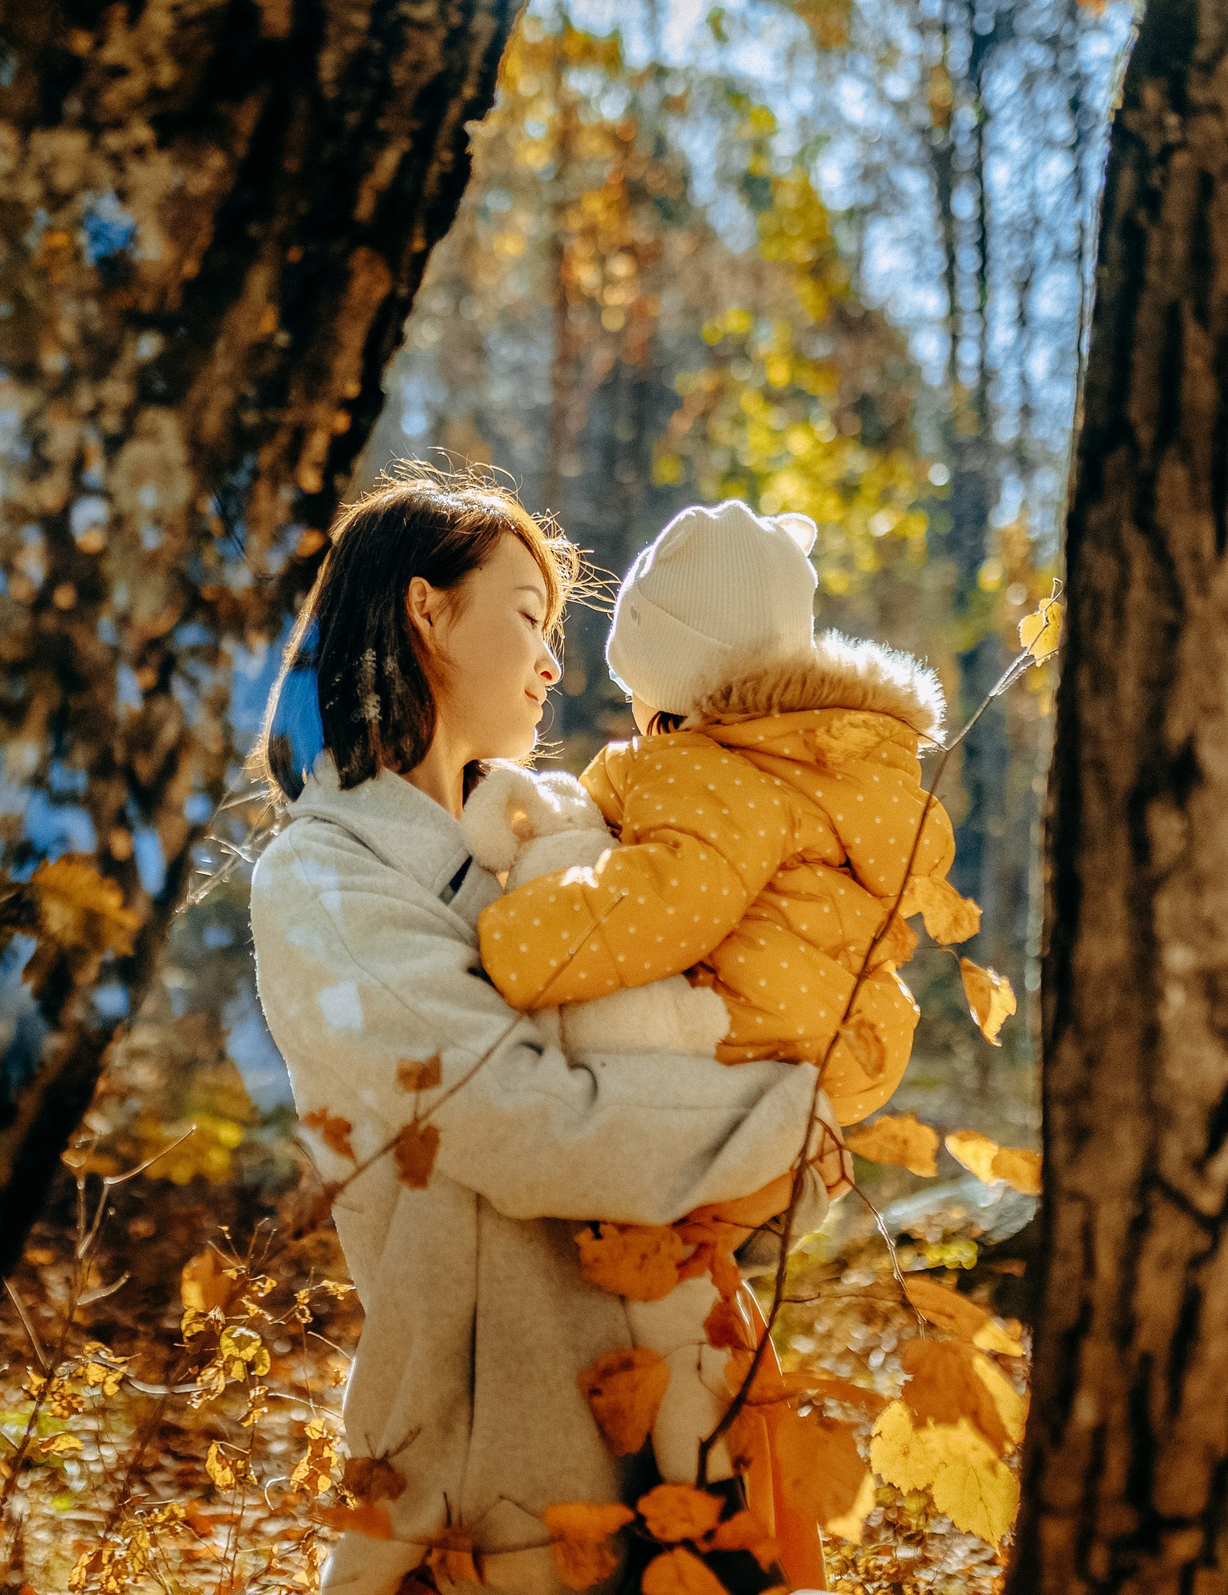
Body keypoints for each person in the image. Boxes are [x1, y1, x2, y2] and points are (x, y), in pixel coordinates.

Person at [248, 468, 821, 1593]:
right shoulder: (325, 876)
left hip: (677, 1437)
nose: (556, 663)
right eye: (527, 616)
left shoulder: (551, 851)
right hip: (494, 1488)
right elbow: (514, 1118)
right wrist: (785, 1117)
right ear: (425, 610)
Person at [477, 498, 978, 1132]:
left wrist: (504, 944)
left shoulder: (705, 768)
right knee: (731, 1213)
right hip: (836, 1039)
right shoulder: (812, 761)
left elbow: (669, 896)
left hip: (739, 1027)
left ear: (674, 690)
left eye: (635, 686)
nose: (633, 708)